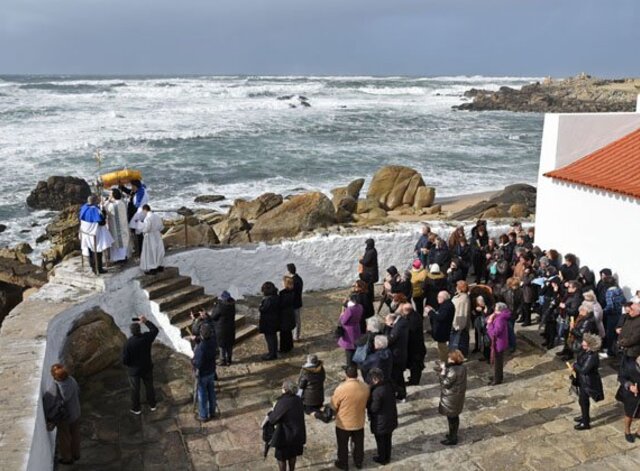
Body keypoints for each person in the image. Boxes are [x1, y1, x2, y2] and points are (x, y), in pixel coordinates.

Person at [331, 365, 370, 470]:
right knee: (358, 444)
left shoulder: (341, 388)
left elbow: (334, 405)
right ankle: (358, 462)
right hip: (359, 421)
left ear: (346, 375)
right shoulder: (365, 387)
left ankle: (343, 463)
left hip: (343, 423)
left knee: (342, 445)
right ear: (357, 374)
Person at [43, 364, 81, 465]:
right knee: (75, 435)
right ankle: (76, 454)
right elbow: (78, 391)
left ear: (56, 376)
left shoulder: (55, 387)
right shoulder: (72, 380)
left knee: (64, 438)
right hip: (75, 412)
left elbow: (48, 402)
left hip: (64, 417)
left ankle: (67, 459)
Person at [122, 315, 158, 414]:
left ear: (131, 331)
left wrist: (130, 365)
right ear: (140, 329)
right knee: (149, 386)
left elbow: (125, 360)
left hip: (134, 370)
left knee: (135, 389)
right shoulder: (146, 337)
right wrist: (145, 321)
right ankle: (152, 405)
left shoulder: (128, 343)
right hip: (147, 367)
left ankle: (136, 408)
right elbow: (155, 330)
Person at [267, 380, 306, 471]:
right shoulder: (298, 399)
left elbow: (273, 419)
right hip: (297, 434)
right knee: (293, 455)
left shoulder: (283, 402)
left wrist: (271, 412)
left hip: (285, 436)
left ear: (285, 389)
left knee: (281, 457)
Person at [572, 333, 604, 431]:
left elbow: (584, 370)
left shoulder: (592, 356)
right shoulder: (585, 351)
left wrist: (575, 365)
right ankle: (584, 416)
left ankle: (585, 423)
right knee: (582, 400)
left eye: (584, 342)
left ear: (590, 345)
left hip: (588, 382)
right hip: (582, 380)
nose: (582, 343)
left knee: (584, 401)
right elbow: (575, 350)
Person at [367, 368, 398, 465]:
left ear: (375, 379)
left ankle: (382, 458)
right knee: (388, 439)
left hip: (380, 421)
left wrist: (368, 405)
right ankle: (387, 456)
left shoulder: (377, 392)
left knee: (380, 441)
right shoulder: (389, 385)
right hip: (391, 418)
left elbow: (374, 408)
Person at [438, 350, 467, 446]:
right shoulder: (463, 367)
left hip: (451, 398)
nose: (448, 359)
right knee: (454, 416)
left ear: (453, 360)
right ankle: (452, 434)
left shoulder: (453, 371)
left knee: (451, 418)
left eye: (450, 358)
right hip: (458, 396)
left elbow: (445, 383)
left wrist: (442, 371)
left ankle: (453, 438)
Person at [79, 194, 113, 274]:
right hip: (94, 234)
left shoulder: (84, 207)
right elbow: (102, 222)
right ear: (95, 201)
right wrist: (103, 213)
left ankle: (92, 266)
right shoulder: (94, 210)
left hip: (86, 233)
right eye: (97, 200)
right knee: (97, 251)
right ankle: (98, 268)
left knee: (91, 251)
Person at [192, 324, 218, 422]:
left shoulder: (201, 348)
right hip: (211, 370)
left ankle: (203, 415)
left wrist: (193, 361)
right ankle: (212, 412)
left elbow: (198, 363)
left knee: (202, 395)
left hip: (203, 374)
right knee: (211, 392)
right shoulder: (213, 341)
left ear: (201, 334)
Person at [385, 306, 410, 401]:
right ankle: (401, 394)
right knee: (399, 377)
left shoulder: (398, 328)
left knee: (395, 377)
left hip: (397, 356)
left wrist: (388, 327)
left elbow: (389, 340)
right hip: (400, 354)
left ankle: (400, 394)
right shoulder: (402, 323)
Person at [425, 291, 455, 364]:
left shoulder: (447, 306)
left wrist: (429, 312)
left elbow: (440, 318)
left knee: (443, 349)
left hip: (443, 330)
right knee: (441, 348)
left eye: (439, 297)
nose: (437, 298)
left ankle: (443, 363)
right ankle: (442, 360)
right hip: (442, 330)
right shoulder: (446, 304)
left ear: (443, 298)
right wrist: (433, 311)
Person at [120, 179, 149, 255]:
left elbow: (136, 205)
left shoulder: (140, 194)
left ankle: (141, 252)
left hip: (138, 215)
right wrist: (122, 187)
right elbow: (131, 192)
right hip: (138, 214)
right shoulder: (140, 190)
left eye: (132, 186)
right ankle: (139, 250)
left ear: (135, 186)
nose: (131, 187)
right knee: (137, 233)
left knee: (138, 233)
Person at [616, 355, 640, 443]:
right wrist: (630, 386)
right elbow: (621, 377)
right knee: (629, 414)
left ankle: (639, 432)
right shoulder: (629, 363)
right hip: (632, 395)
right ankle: (627, 431)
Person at [487, 302, 511, 385]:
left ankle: (497, 379)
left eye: (496, 308)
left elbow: (495, 333)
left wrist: (490, 324)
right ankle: (497, 376)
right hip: (499, 342)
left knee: (497, 362)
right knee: (498, 361)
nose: (494, 310)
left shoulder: (500, 319)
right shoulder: (500, 316)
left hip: (498, 343)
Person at [105, 188, 130, 263]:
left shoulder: (115, 205)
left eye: (110, 194)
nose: (109, 195)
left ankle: (121, 259)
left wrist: (107, 201)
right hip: (122, 225)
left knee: (119, 243)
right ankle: (121, 257)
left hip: (117, 227)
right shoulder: (122, 202)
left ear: (114, 195)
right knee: (121, 242)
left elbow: (106, 210)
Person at [337, 295, 363, 369]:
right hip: (356, 327)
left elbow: (343, 321)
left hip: (349, 330)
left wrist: (342, 313)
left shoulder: (350, 310)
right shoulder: (360, 306)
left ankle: (350, 366)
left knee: (349, 348)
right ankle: (354, 363)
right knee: (355, 346)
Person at [211, 291, 236, 366]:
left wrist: (215, 306)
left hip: (221, 329)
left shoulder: (220, 307)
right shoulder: (232, 305)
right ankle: (229, 359)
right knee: (229, 345)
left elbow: (213, 316)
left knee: (222, 345)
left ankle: (222, 360)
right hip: (231, 328)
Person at [139, 205, 165, 275]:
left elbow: (147, 228)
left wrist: (141, 228)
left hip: (150, 236)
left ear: (145, 210)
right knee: (158, 250)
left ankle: (153, 268)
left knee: (150, 252)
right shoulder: (157, 216)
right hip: (157, 235)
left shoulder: (147, 218)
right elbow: (161, 227)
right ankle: (160, 266)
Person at [405, 303, 426, 386]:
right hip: (417, 345)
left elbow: (411, 331)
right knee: (415, 365)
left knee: (415, 365)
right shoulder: (415, 315)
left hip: (416, 347)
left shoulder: (413, 319)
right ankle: (413, 378)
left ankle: (414, 381)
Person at [259, 281, 280, 361]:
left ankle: (271, 354)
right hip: (275, 320)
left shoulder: (268, 299)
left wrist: (260, 306)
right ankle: (274, 352)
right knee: (274, 337)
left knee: (269, 339)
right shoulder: (276, 297)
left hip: (268, 322)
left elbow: (263, 309)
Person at [451, 281, 471, 357]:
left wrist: (458, 324)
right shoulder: (461, 297)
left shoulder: (463, 299)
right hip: (458, 322)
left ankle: (460, 356)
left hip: (459, 323)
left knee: (459, 340)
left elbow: (462, 312)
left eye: (457, 286)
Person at [279, 276, 297, 354]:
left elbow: (281, 304)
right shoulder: (292, 291)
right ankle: (289, 346)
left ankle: (284, 349)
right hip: (290, 314)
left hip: (284, 315)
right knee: (288, 332)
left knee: (284, 333)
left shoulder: (283, 293)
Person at [287, 263, 304, 341]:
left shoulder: (291, 281)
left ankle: (295, 336)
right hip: (298, 301)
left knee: (295, 321)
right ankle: (296, 336)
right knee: (297, 320)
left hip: (292, 303)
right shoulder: (299, 278)